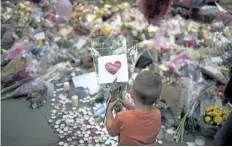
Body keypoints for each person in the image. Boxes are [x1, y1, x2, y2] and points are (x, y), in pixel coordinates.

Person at [106, 70, 162, 146]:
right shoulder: (157, 114)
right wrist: (131, 107)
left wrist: (109, 111)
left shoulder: (123, 117)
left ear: (131, 94)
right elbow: (140, 119)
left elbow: (111, 132)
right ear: (158, 98)